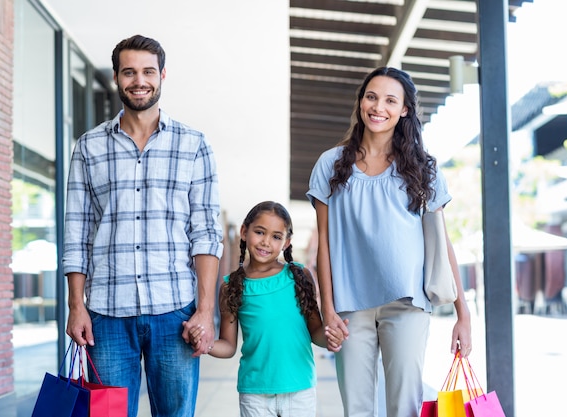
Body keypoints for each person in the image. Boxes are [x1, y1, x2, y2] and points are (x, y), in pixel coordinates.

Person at [62, 34, 223, 417]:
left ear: (163, 75)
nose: (140, 80)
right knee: (107, 415)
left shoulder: (194, 145)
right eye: (129, 72)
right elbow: (76, 232)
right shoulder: (88, 147)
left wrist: (204, 310)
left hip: (175, 312)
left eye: (148, 71)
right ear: (117, 77)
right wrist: (75, 306)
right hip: (106, 312)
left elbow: (205, 233)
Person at [306, 66, 472, 417]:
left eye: (390, 100)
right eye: (371, 96)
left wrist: (463, 315)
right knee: (358, 409)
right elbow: (325, 244)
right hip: (350, 309)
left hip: (408, 303)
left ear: (404, 110)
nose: (378, 106)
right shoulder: (330, 164)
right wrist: (329, 310)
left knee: (404, 409)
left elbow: (443, 245)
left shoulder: (424, 169)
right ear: (361, 102)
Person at [189, 201, 346, 417]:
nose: (266, 242)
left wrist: (330, 337)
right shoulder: (231, 286)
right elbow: (228, 345)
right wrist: (205, 344)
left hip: (299, 390)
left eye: (276, 236)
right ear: (244, 231)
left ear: (286, 242)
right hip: (254, 394)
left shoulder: (300, 277)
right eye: (260, 232)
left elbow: (315, 332)